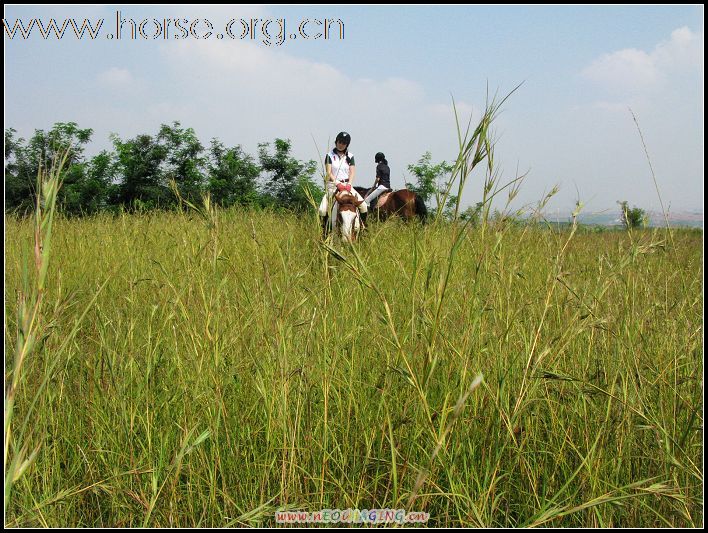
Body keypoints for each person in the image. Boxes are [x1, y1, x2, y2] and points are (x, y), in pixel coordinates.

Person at [318, 132, 368, 235]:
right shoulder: (329, 155)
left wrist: (349, 183)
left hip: (347, 186)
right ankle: (324, 231)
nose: (341, 144)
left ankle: (363, 227)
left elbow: (352, 171)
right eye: (339, 142)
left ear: (347, 145)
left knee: (363, 206)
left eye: (344, 143)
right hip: (333, 186)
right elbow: (328, 172)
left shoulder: (350, 156)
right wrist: (337, 183)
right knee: (322, 210)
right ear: (336, 141)